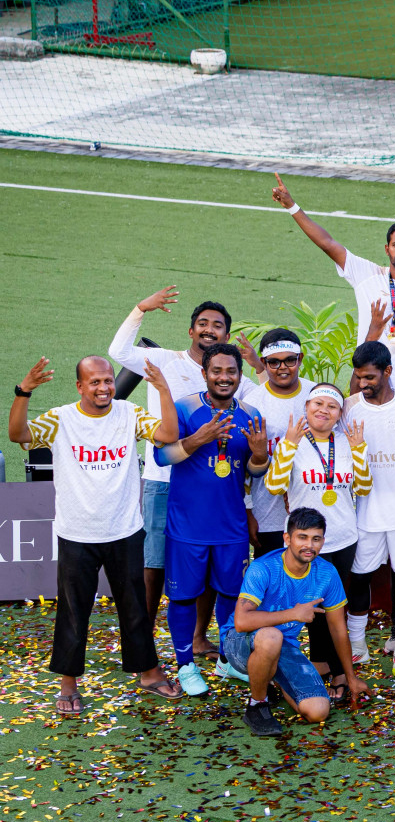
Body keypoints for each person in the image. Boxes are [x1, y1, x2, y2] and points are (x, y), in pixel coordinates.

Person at [10, 356, 183, 712]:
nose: (104, 387)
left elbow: (168, 435)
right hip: (76, 533)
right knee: (74, 612)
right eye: (95, 382)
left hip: (124, 530)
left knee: (135, 608)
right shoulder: (61, 418)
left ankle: (148, 673)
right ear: (79, 386)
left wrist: (164, 390)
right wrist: (23, 391)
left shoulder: (129, 414)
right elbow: (18, 435)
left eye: (107, 380)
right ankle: (68, 684)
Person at [108, 285, 239, 634]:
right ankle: (143, 642)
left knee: (206, 564)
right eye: (203, 323)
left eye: (217, 325)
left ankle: (197, 638)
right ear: (191, 330)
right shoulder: (164, 361)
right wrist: (141, 308)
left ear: (227, 334)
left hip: (208, 486)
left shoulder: (229, 374)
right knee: (154, 565)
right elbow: (117, 351)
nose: (209, 329)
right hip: (163, 480)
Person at [156, 344, 269, 697]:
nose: (224, 377)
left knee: (231, 594)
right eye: (217, 371)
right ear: (205, 373)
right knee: (184, 597)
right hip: (187, 527)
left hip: (231, 526)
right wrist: (195, 440)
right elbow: (162, 456)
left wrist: (261, 454)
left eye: (231, 372)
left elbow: (254, 472)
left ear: (239, 375)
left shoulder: (251, 414)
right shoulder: (185, 408)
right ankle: (186, 665)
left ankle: (225, 660)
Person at [264, 384, 371, 700]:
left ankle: (337, 671)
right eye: (318, 404)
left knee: (335, 608)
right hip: (305, 543)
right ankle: (320, 664)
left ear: (339, 414)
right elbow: (273, 486)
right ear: (307, 406)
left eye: (332, 406)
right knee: (310, 607)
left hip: (341, 538)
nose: (324, 410)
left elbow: (363, 487)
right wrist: (288, 446)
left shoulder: (346, 442)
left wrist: (360, 449)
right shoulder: (293, 442)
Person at [225, 508, 364, 737]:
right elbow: (241, 621)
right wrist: (294, 614)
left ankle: (275, 678)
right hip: (240, 643)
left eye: (316, 539)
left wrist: (350, 677)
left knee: (318, 711)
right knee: (271, 636)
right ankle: (257, 705)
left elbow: (339, 629)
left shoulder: (327, 573)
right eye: (302, 537)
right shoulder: (263, 568)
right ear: (287, 538)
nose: (309, 545)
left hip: (283, 646)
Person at [272, 176, 395, 345]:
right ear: (387, 249)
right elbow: (327, 244)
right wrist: (291, 206)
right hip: (371, 371)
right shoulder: (367, 275)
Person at [345, 341, 395, 668]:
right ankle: (357, 643)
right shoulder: (349, 407)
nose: (363, 384)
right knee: (360, 577)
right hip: (362, 514)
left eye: (369, 378)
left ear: (388, 372)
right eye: (359, 378)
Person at [242, 329, 315, 556]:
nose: (282, 368)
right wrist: (248, 511)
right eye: (273, 362)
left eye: (289, 360)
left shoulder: (316, 395)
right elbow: (243, 460)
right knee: (272, 581)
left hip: (312, 507)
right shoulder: (251, 403)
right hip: (267, 513)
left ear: (300, 359)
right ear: (264, 363)